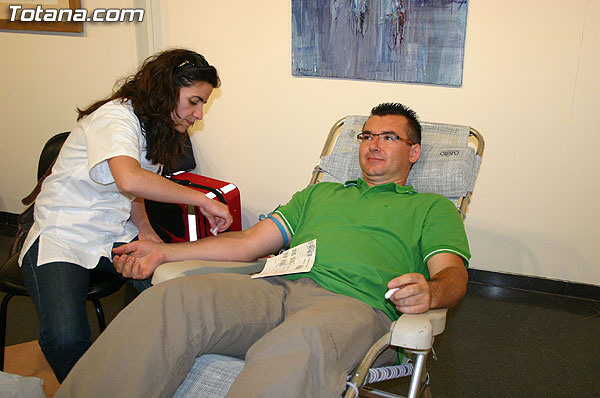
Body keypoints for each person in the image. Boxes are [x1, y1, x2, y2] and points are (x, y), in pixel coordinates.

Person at [56, 103, 469, 398]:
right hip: (275, 287)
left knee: (295, 345)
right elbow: (250, 243)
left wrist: (431, 293)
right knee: (172, 300)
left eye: (389, 137)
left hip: (354, 306)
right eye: (367, 135)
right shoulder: (319, 194)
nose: (373, 144)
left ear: (413, 152)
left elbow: (453, 274)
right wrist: (167, 253)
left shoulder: (429, 208)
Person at [18, 48, 233, 382]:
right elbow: (129, 178)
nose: (199, 114)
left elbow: (135, 191)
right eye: (194, 101)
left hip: (113, 230)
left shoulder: (157, 127)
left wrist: (146, 232)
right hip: (62, 231)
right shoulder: (115, 118)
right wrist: (203, 201)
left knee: (177, 294)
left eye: (202, 103)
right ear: (165, 89)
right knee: (66, 337)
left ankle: (157, 377)